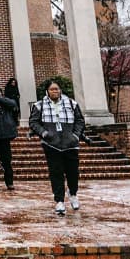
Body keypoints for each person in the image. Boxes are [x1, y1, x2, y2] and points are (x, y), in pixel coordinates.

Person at [29, 81, 86, 216]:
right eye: (52, 89)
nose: (55, 91)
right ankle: (59, 200)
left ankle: (72, 193)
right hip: (51, 144)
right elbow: (33, 122)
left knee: (73, 171)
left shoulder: (71, 103)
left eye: (57, 89)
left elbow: (80, 120)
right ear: (47, 91)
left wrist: (76, 135)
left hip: (70, 144)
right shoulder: (39, 105)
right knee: (56, 172)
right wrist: (44, 133)